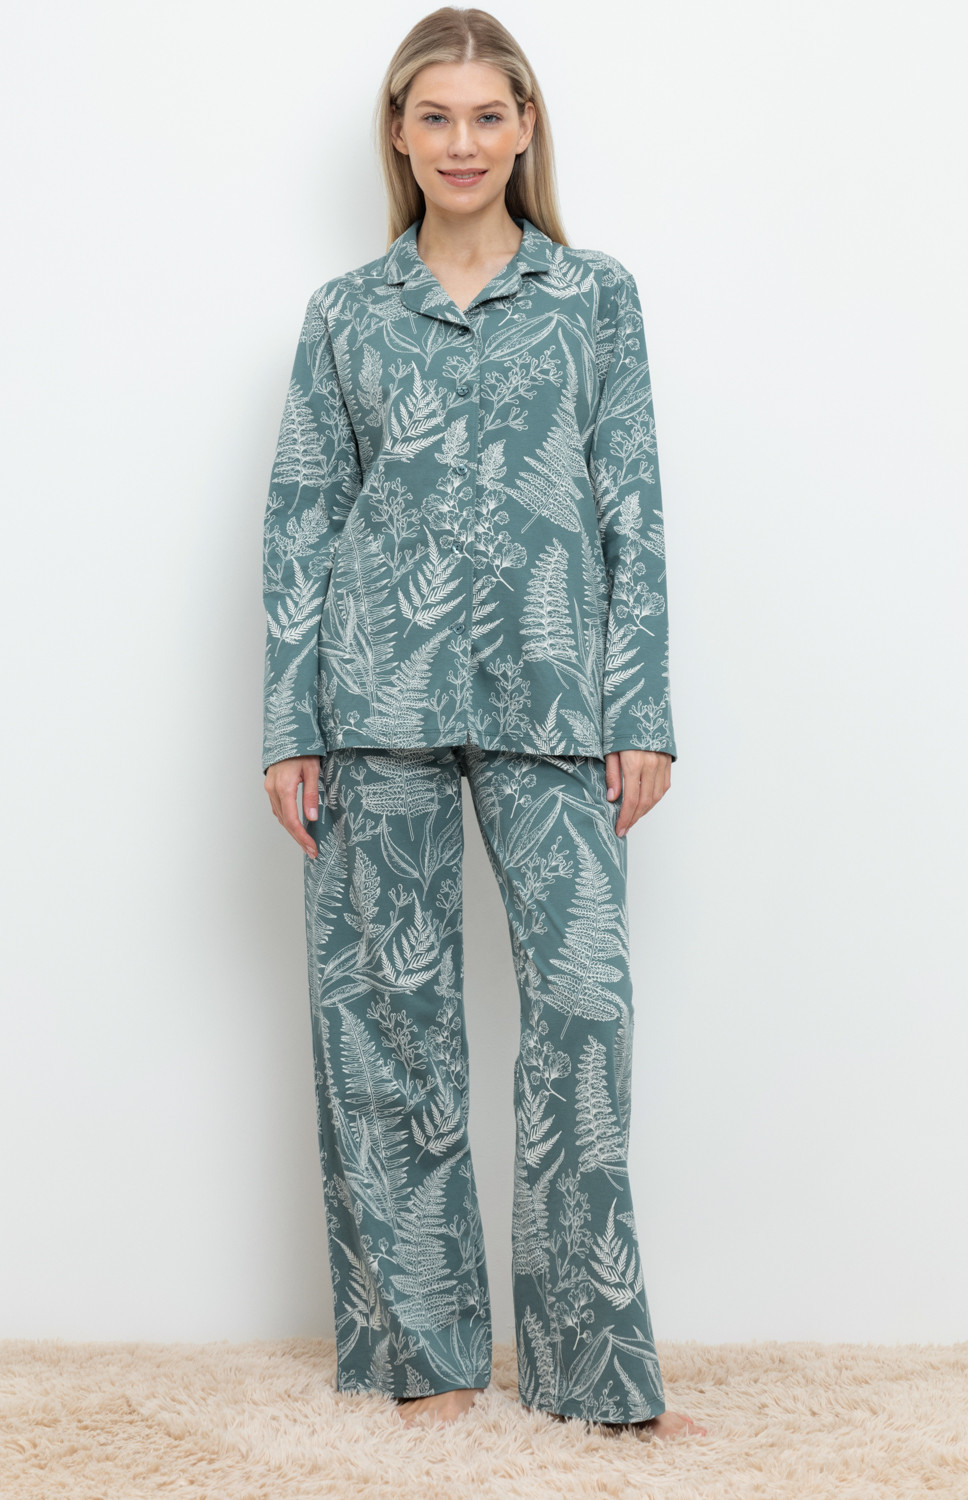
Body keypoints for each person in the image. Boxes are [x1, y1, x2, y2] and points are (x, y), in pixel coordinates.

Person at [261, 5, 707, 1444]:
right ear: (400, 135)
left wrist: (642, 707)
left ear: (525, 129)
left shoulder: (596, 299)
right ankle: (426, 1358)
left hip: (556, 701)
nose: (463, 142)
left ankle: (592, 1373)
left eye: (487, 115)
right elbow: (302, 521)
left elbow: (635, 508)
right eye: (435, 116)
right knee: (388, 1024)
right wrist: (288, 725)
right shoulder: (345, 313)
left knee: (583, 1012)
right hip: (370, 696)